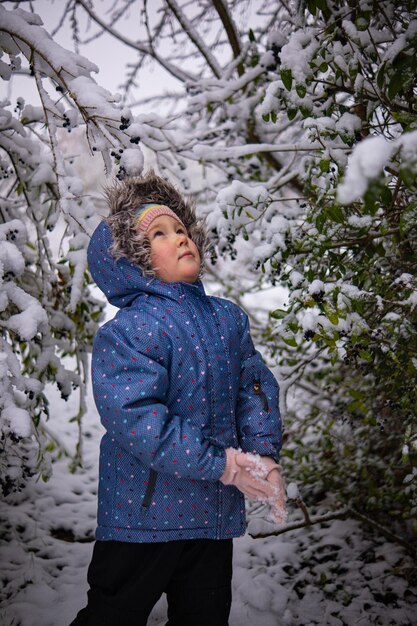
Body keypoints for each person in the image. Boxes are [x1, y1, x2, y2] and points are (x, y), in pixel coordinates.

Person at [70, 170, 285, 626]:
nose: (181, 239)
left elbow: (254, 388)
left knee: (204, 617)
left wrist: (263, 454)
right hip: (142, 520)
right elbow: (138, 421)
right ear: (132, 261)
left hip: (210, 517)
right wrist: (223, 464)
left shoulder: (227, 318)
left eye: (182, 229)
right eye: (160, 235)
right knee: (113, 615)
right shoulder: (128, 333)